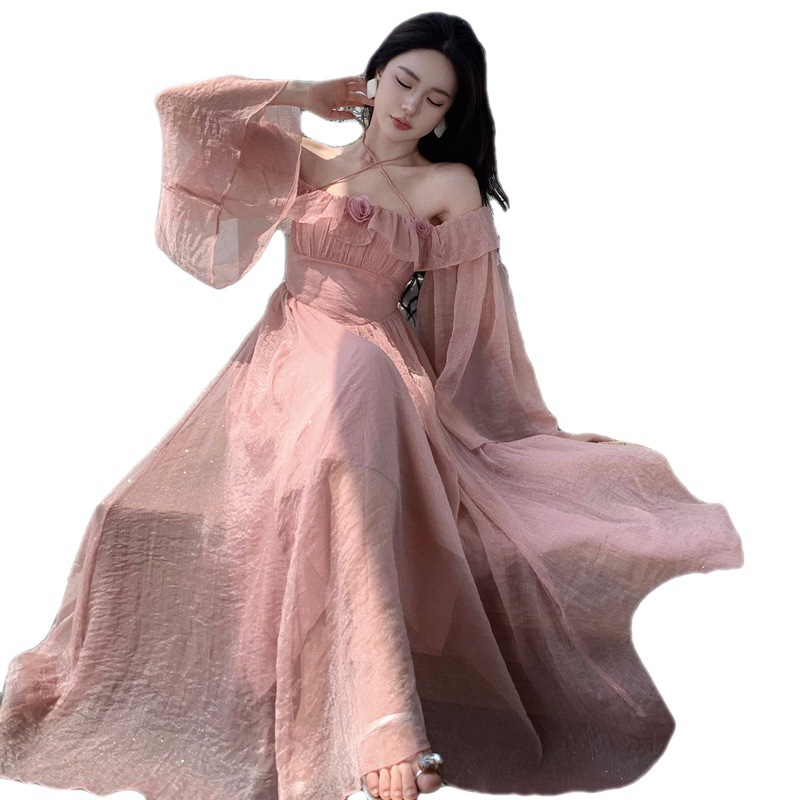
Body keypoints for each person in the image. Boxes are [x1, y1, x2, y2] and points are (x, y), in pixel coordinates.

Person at [0, 11, 743, 800]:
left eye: (435, 99)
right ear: (375, 76)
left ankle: (387, 722)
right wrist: (300, 93)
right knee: (124, 511)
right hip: (279, 367)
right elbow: (181, 109)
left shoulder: (447, 187)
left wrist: (494, 429)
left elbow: (473, 332)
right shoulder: (306, 159)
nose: (411, 106)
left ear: (450, 116)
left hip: (376, 366)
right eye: (404, 82)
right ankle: (298, 705)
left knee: (353, 390)